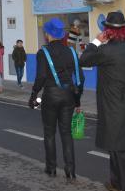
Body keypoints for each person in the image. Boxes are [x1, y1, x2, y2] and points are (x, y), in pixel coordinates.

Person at [80, 11, 125, 191]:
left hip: (111, 104)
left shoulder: (105, 50)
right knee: (116, 144)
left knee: (119, 147)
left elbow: (84, 60)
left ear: (108, 31)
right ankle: (116, 182)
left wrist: (96, 41)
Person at [29, 18, 84, 182]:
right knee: (67, 134)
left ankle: (51, 168)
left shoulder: (43, 53)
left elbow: (41, 77)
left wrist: (33, 95)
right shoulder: (72, 52)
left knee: (50, 133)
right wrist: (77, 100)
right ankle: (70, 170)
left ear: (47, 34)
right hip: (68, 96)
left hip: (51, 96)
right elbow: (80, 78)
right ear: (61, 35)